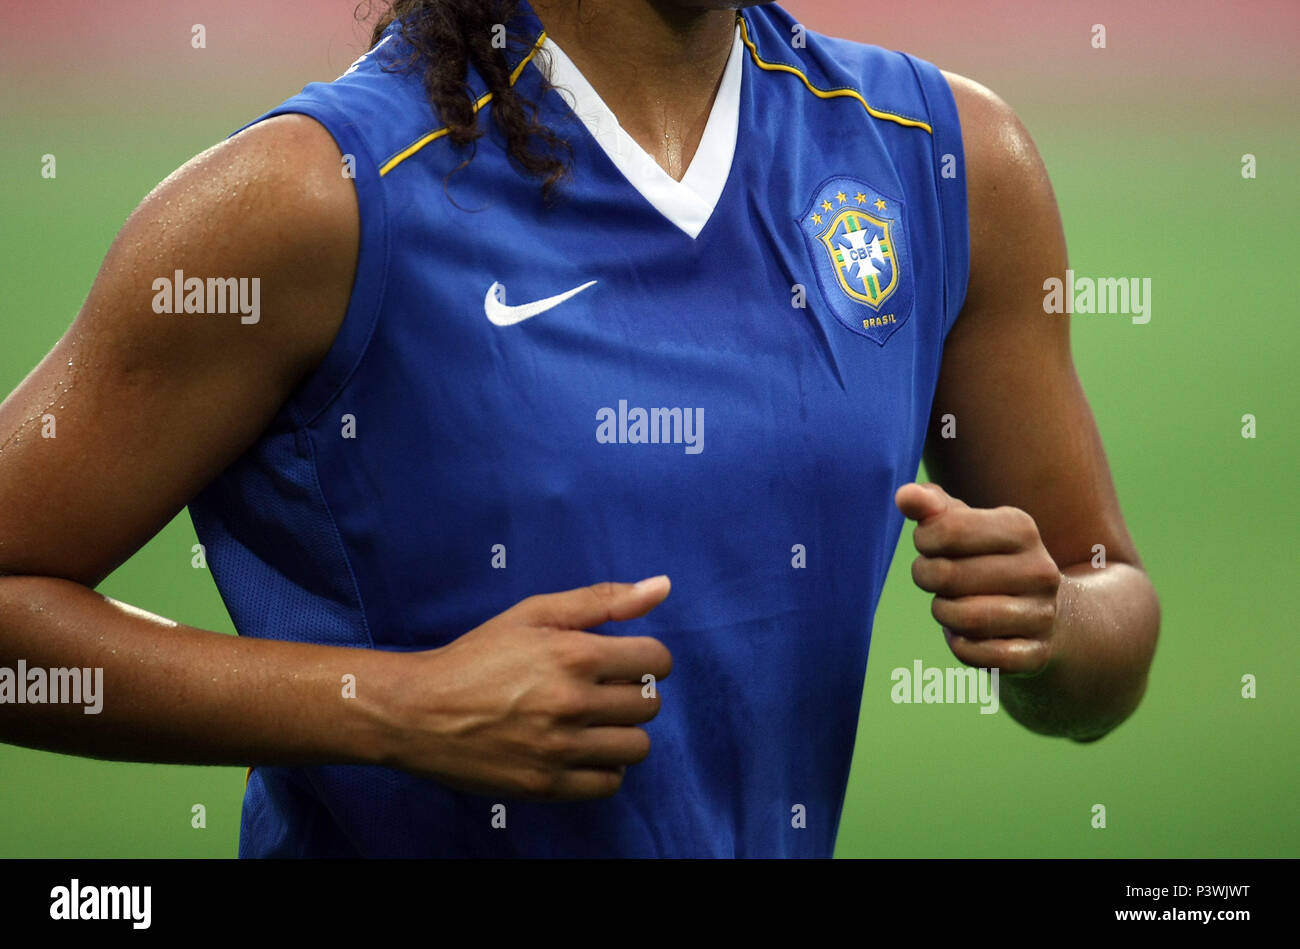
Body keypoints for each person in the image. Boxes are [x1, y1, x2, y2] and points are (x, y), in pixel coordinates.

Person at [0, 0, 1159, 857]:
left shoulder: (943, 159)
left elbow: (1113, 628)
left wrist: (1051, 622)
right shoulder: (314, 198)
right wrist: (393, 707)